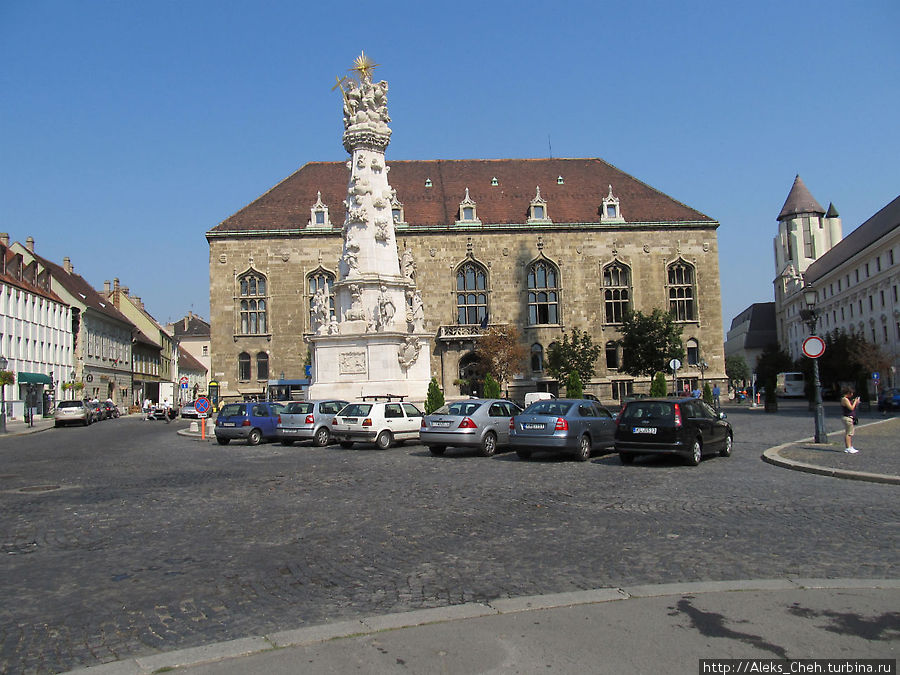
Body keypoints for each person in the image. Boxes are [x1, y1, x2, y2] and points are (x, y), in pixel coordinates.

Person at [840, 387, 860, 454]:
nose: (852, 394)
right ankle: (848, 447)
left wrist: (855, 403)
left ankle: (850, 446)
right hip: (848, 418)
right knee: (849, 433)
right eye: (851, 393)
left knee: (849, 433)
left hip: (849, 417)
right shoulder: (844, 399)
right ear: (848, 393)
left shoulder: (846, 399)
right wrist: (854, 402)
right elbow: (851, 408)